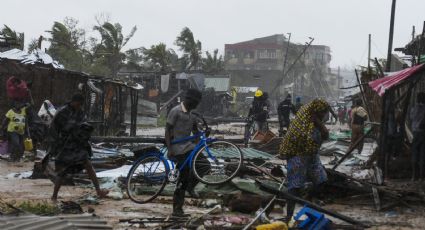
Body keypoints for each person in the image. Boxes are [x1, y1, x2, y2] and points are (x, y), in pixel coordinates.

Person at [45, 93, 108, 201]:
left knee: (88, 165)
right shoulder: (62, 112)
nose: (80, 106)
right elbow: (53, 129)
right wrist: (55, 146)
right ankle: (54, 196)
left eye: (81, 105)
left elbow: (83, 126)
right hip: (64, 146)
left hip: (77, 144)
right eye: (78, 104)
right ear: (73, 102)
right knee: (62, 171)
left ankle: (98, 191)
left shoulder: (80, 112)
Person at [278, 98, 330, 220]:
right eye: (323, 112)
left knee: (321, 180)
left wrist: (319, 124)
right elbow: (317, 138)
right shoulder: (304, 125)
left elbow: (320, 139)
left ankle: (309, 207)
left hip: (311, 154)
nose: (324, 115)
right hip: (298, 155)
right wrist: (321, 126)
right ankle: (289, 216)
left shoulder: (312, 118)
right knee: (294, 186)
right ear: (317, 111)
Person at [165, 89, 211, 217]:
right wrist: (169, 149)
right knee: (183, 177)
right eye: (196, 102)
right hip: (177, 148)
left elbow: (196, 133)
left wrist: (203, 135)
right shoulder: (175, 111)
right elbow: (167, 131)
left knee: (205, 166)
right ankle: (177, 209)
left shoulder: (192, 115)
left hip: (188, 147)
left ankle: (191, 186)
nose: (197, 105)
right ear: (189, 100)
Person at [409, 92, 425, 181]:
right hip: (423, 133)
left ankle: (414, 176)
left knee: (415, 153)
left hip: (415, 133)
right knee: (422, 154)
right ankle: (421, 177)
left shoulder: (414, 108)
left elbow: (411, 118)